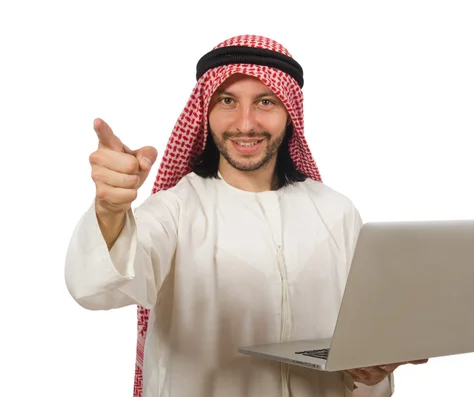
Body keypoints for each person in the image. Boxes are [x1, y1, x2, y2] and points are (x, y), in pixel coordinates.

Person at [64, 34, 427, 397]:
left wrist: (370, 370)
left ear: (290, 112)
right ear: (206, 112)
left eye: (265, 102)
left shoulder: (337, 212)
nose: (246, 123)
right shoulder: (174, 210)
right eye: (227, 101)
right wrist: (110, 210)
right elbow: (97, 289)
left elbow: (359, 351)